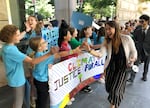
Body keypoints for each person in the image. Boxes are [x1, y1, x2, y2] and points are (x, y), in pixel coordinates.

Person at [0, 24, 57, 108]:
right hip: (17, 80)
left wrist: (26, 31)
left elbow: (2, 57)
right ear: (11, 37)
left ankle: (30, 103)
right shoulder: (11, 50)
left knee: (23, 97)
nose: (20, 37)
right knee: (18, 102)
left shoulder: (6, 47)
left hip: (14, 77)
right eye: (18, 35)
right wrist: (49, 54)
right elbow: (33, 61)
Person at [86, 21, 137, 108]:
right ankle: (117, 96)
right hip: (111, 67)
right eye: (106, 29)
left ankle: (114, 104)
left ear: (116, 28)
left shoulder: (126, 38)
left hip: (123, 68)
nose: (108, 31)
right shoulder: (106, 41)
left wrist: (133, 58)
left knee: (115, 91)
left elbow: (133, 51)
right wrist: (90, 50)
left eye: (110, 29)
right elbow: (100, 54)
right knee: (109, 88)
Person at [29, 37, 81, 108]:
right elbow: (59, 55)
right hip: (42, 82)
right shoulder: (42, 56)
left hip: (38, 80)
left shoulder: (40, 54)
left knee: (41, 98)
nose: (46, 42)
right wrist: (74, 51)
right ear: (39, 47)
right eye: (44, 42)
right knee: (43, 101)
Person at [128, 14, 150, 82]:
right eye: (140, 21)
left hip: (148, 50)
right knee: (135, 64)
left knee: (146, 64)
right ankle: (132, 78)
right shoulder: (138, 29)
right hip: (138, 49)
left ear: (147, 21)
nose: (141, 23)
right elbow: (133, 38)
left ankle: (144, 76)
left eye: (142, 21)